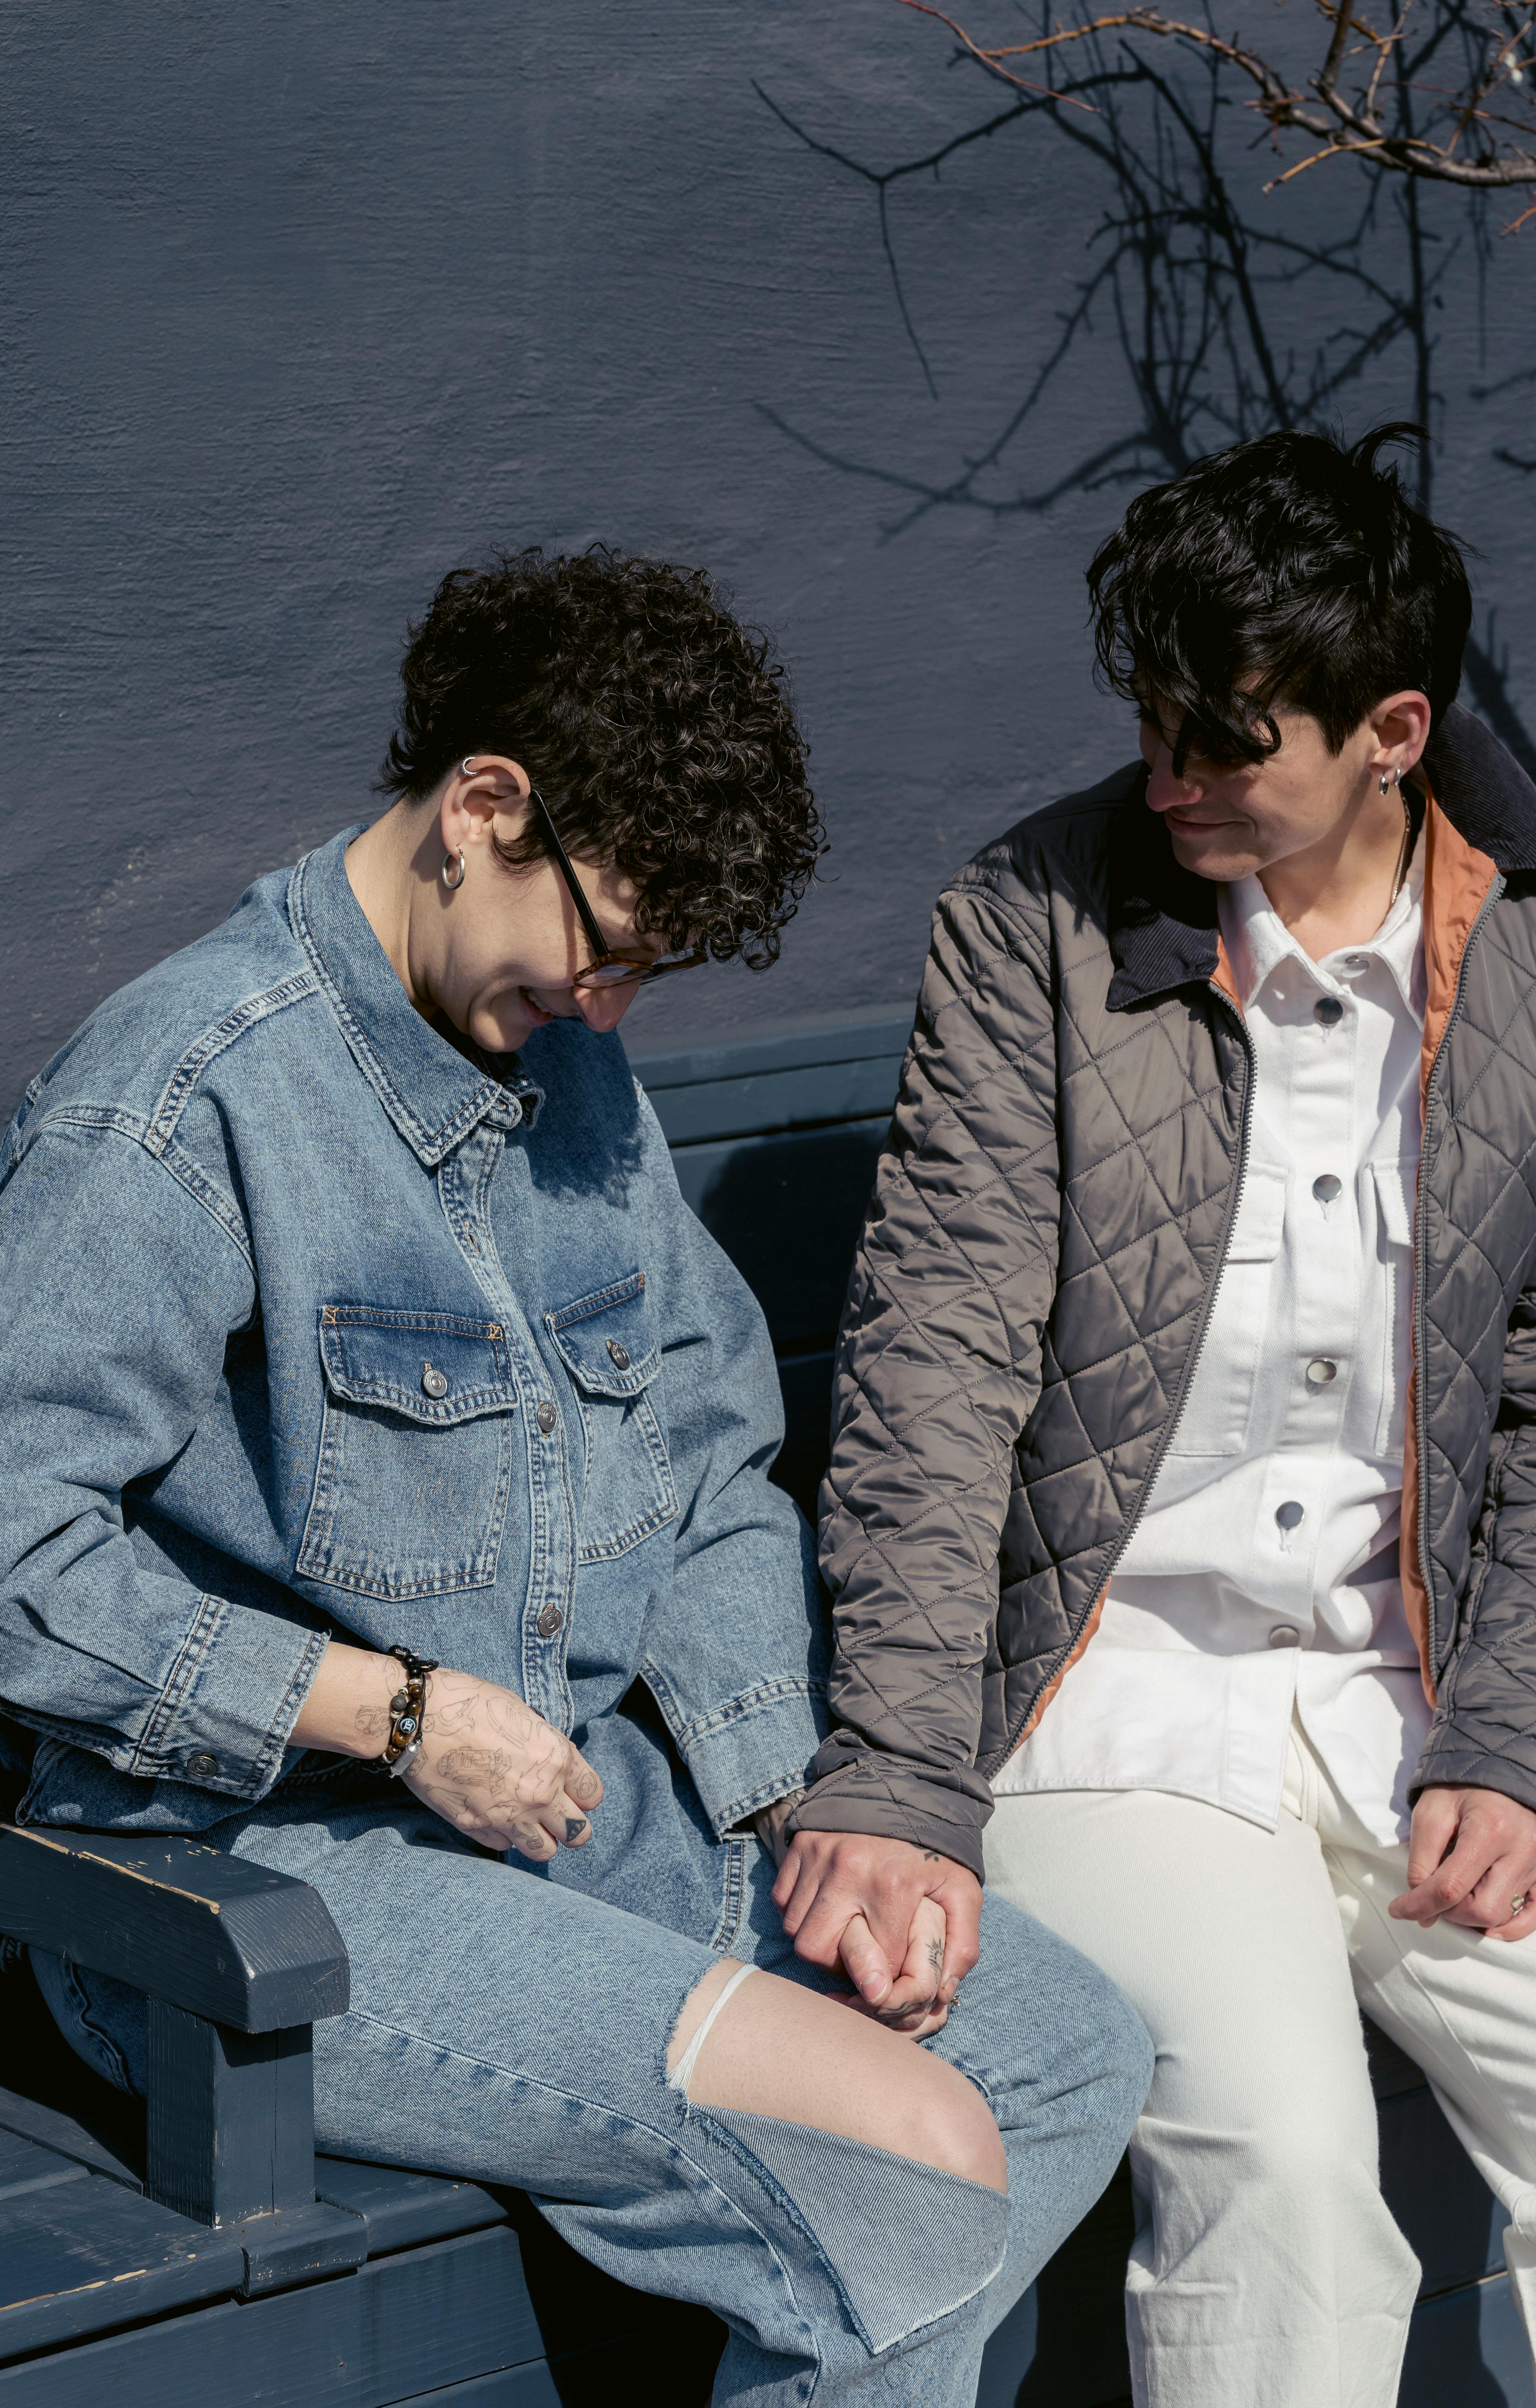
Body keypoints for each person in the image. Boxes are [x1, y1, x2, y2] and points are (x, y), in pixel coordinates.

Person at [0, 548, 1150, 2407]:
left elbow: (713, 1439)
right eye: (606, 946)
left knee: (1066, 2054)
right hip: (265, 1876)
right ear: (483, 808)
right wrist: (395, 1713)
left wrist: (795, 1808)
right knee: (905, 2181)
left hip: (595, 1817)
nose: (611, 1008)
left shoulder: (574, 1077)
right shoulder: (185, 1098)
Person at [782, 424, 1536, 2406]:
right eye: (1151, 719)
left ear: (1391, 729)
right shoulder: (1035, 920)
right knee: (1292, 2173)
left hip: (1423, 1699)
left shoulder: (1528, 944)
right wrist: (894, 1767)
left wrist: (1514, 1733)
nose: (1171, 775)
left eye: (1230, 736)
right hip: (1112, 1697)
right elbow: (931, 1364)